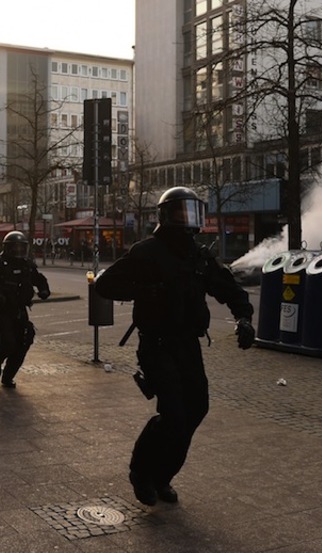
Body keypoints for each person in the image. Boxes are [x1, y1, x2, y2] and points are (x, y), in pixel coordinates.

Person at [95, 186, 256, 506]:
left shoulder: (199, 255)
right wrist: (145, 290)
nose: (188, 219)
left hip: (188, 345)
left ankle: (162, 476)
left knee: (197, 408)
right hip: (156, 344)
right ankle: (141, 472)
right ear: (166, 216)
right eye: (182, 212)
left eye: (193, 212)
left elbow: (229, 289)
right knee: (173, 415)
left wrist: (245, 318)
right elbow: (105, 283)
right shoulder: (146, 252)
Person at [0, 231, 51, 388]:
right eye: (14, 247)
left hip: (21, 310)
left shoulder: (27, 266)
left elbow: (39, 279)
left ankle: (8, 376)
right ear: (7, 248)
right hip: (4, 310)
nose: (18, 251)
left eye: (21, 248)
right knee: (8, 342)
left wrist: (44, 290)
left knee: (24, 342)